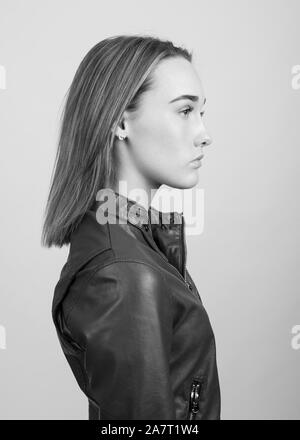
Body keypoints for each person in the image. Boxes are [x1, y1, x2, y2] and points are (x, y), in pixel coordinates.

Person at [41, 34, 221, 420]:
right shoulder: (123, 272)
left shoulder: (135, 248)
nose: (205, 134)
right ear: (122, 121)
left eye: (202, 112)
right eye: (185, 111)